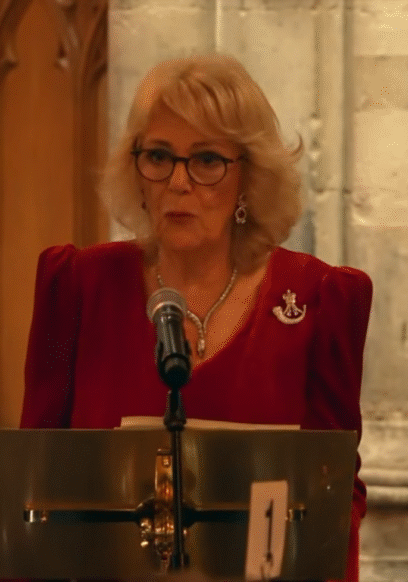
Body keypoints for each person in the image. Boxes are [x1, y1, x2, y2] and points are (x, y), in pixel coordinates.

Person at [21, 54, 372, 581]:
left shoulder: (318, 298)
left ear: (247, 179)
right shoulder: (77, 287)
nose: (179, 183)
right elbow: (34, 486)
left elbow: (334, 496)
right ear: (137, 172)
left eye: (207, 160)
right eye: (159, 157)